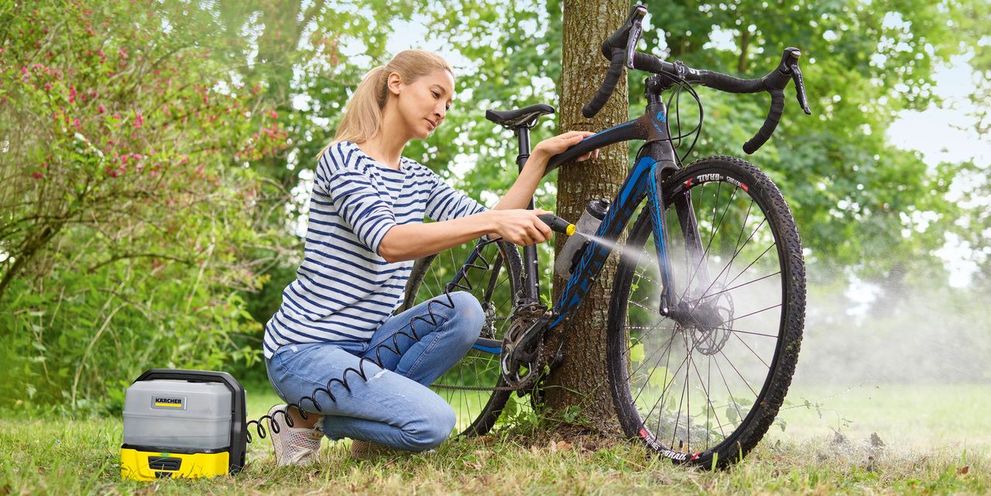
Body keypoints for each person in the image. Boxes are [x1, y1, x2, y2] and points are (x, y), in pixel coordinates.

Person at [263, 49, 596, 466]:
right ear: (396, 84)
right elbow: (389, 241)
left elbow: (489, 220)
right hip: (304, 351)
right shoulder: (343, 159)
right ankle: (300, 417)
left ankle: (367, 423)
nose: (441, 111)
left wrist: (539, 160)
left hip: (368, 348)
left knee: (465, 310)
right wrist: (494, 223)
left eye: (448, 104)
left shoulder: (418, 178)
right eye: (435, 95)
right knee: (434, 424)